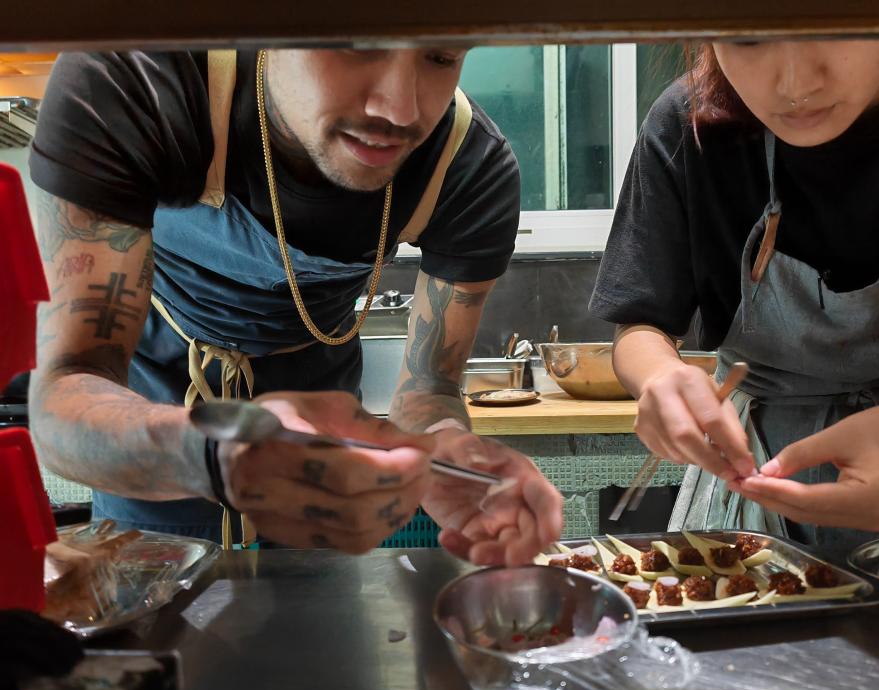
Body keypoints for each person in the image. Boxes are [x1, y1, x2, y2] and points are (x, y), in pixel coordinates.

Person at [28, 48, 563, 563]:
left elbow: (430, 387)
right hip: (152, 409)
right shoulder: (140, 79)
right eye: (355, 46)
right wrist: (212, 454)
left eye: (442, 58)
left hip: (324, 418)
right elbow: (64, 395)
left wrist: (444, 451)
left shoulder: (466, 166)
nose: (401, 108)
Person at [590, 38, 879, 548]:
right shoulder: (689, 124)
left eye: (834, 21)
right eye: (747, 38)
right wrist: (659, 376)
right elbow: (640, 326)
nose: (795, 85)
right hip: (756, 502)